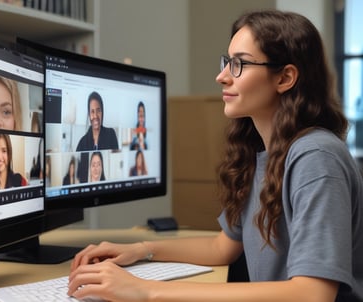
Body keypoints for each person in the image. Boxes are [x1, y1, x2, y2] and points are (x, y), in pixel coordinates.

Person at [68, 10, 363, 302]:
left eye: (240, 64)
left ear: (285, 78)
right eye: (227, 62)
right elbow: (223, 248)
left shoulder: (316, 157)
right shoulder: (263, 154)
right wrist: (142, 249)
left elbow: (312, 294)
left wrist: (145, 290)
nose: (221, 76)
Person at [76, 91, 118, 182]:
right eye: (92, 111)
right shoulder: (81, 143)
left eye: (98, 110)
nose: (95, 116)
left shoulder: (111, 134)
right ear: (89, 114)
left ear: (102, 112)